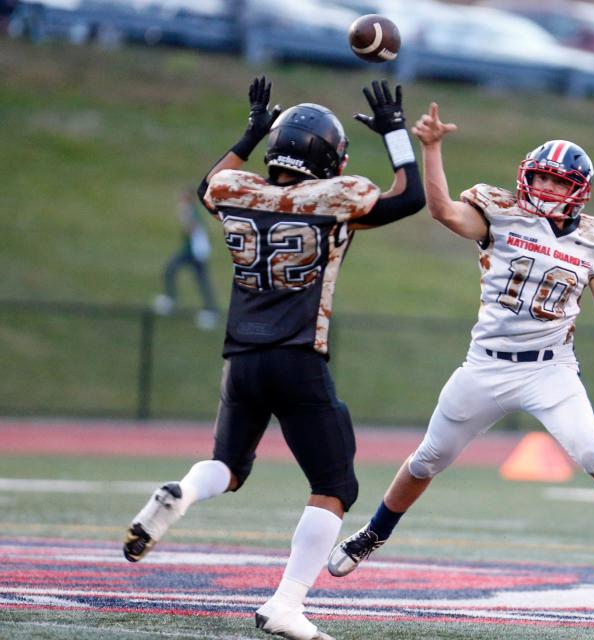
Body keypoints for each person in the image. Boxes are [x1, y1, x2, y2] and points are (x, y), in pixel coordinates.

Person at [327, 103, 594, 602]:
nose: (544, 188)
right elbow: (442, 211)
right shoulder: (501, 214)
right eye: (539, 178)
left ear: (577, 191)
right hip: (487, 364)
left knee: (592, 451)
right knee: (427, 459)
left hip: (551, 370)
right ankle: (374, 533)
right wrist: (431, 148)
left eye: (557, 182)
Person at [122, 76, 425, 640]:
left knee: (227, 467)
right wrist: (396, 133)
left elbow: (207, 183)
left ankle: (181, 493)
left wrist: (251, 131)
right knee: (336, 486)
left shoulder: (234, 190)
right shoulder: (334, 197)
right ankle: (286, 604)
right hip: (296, 355)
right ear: (329, 159)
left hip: (241, 358)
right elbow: (409, 196)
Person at [152, 188, 219, 330]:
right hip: (189, 251)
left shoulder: (190, 212)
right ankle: (171, 299)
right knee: (171, 270)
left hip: (195, 253)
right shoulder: (190, 211)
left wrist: (184, 216)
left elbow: (190, 230)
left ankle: (210, 311)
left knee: (200, 281)